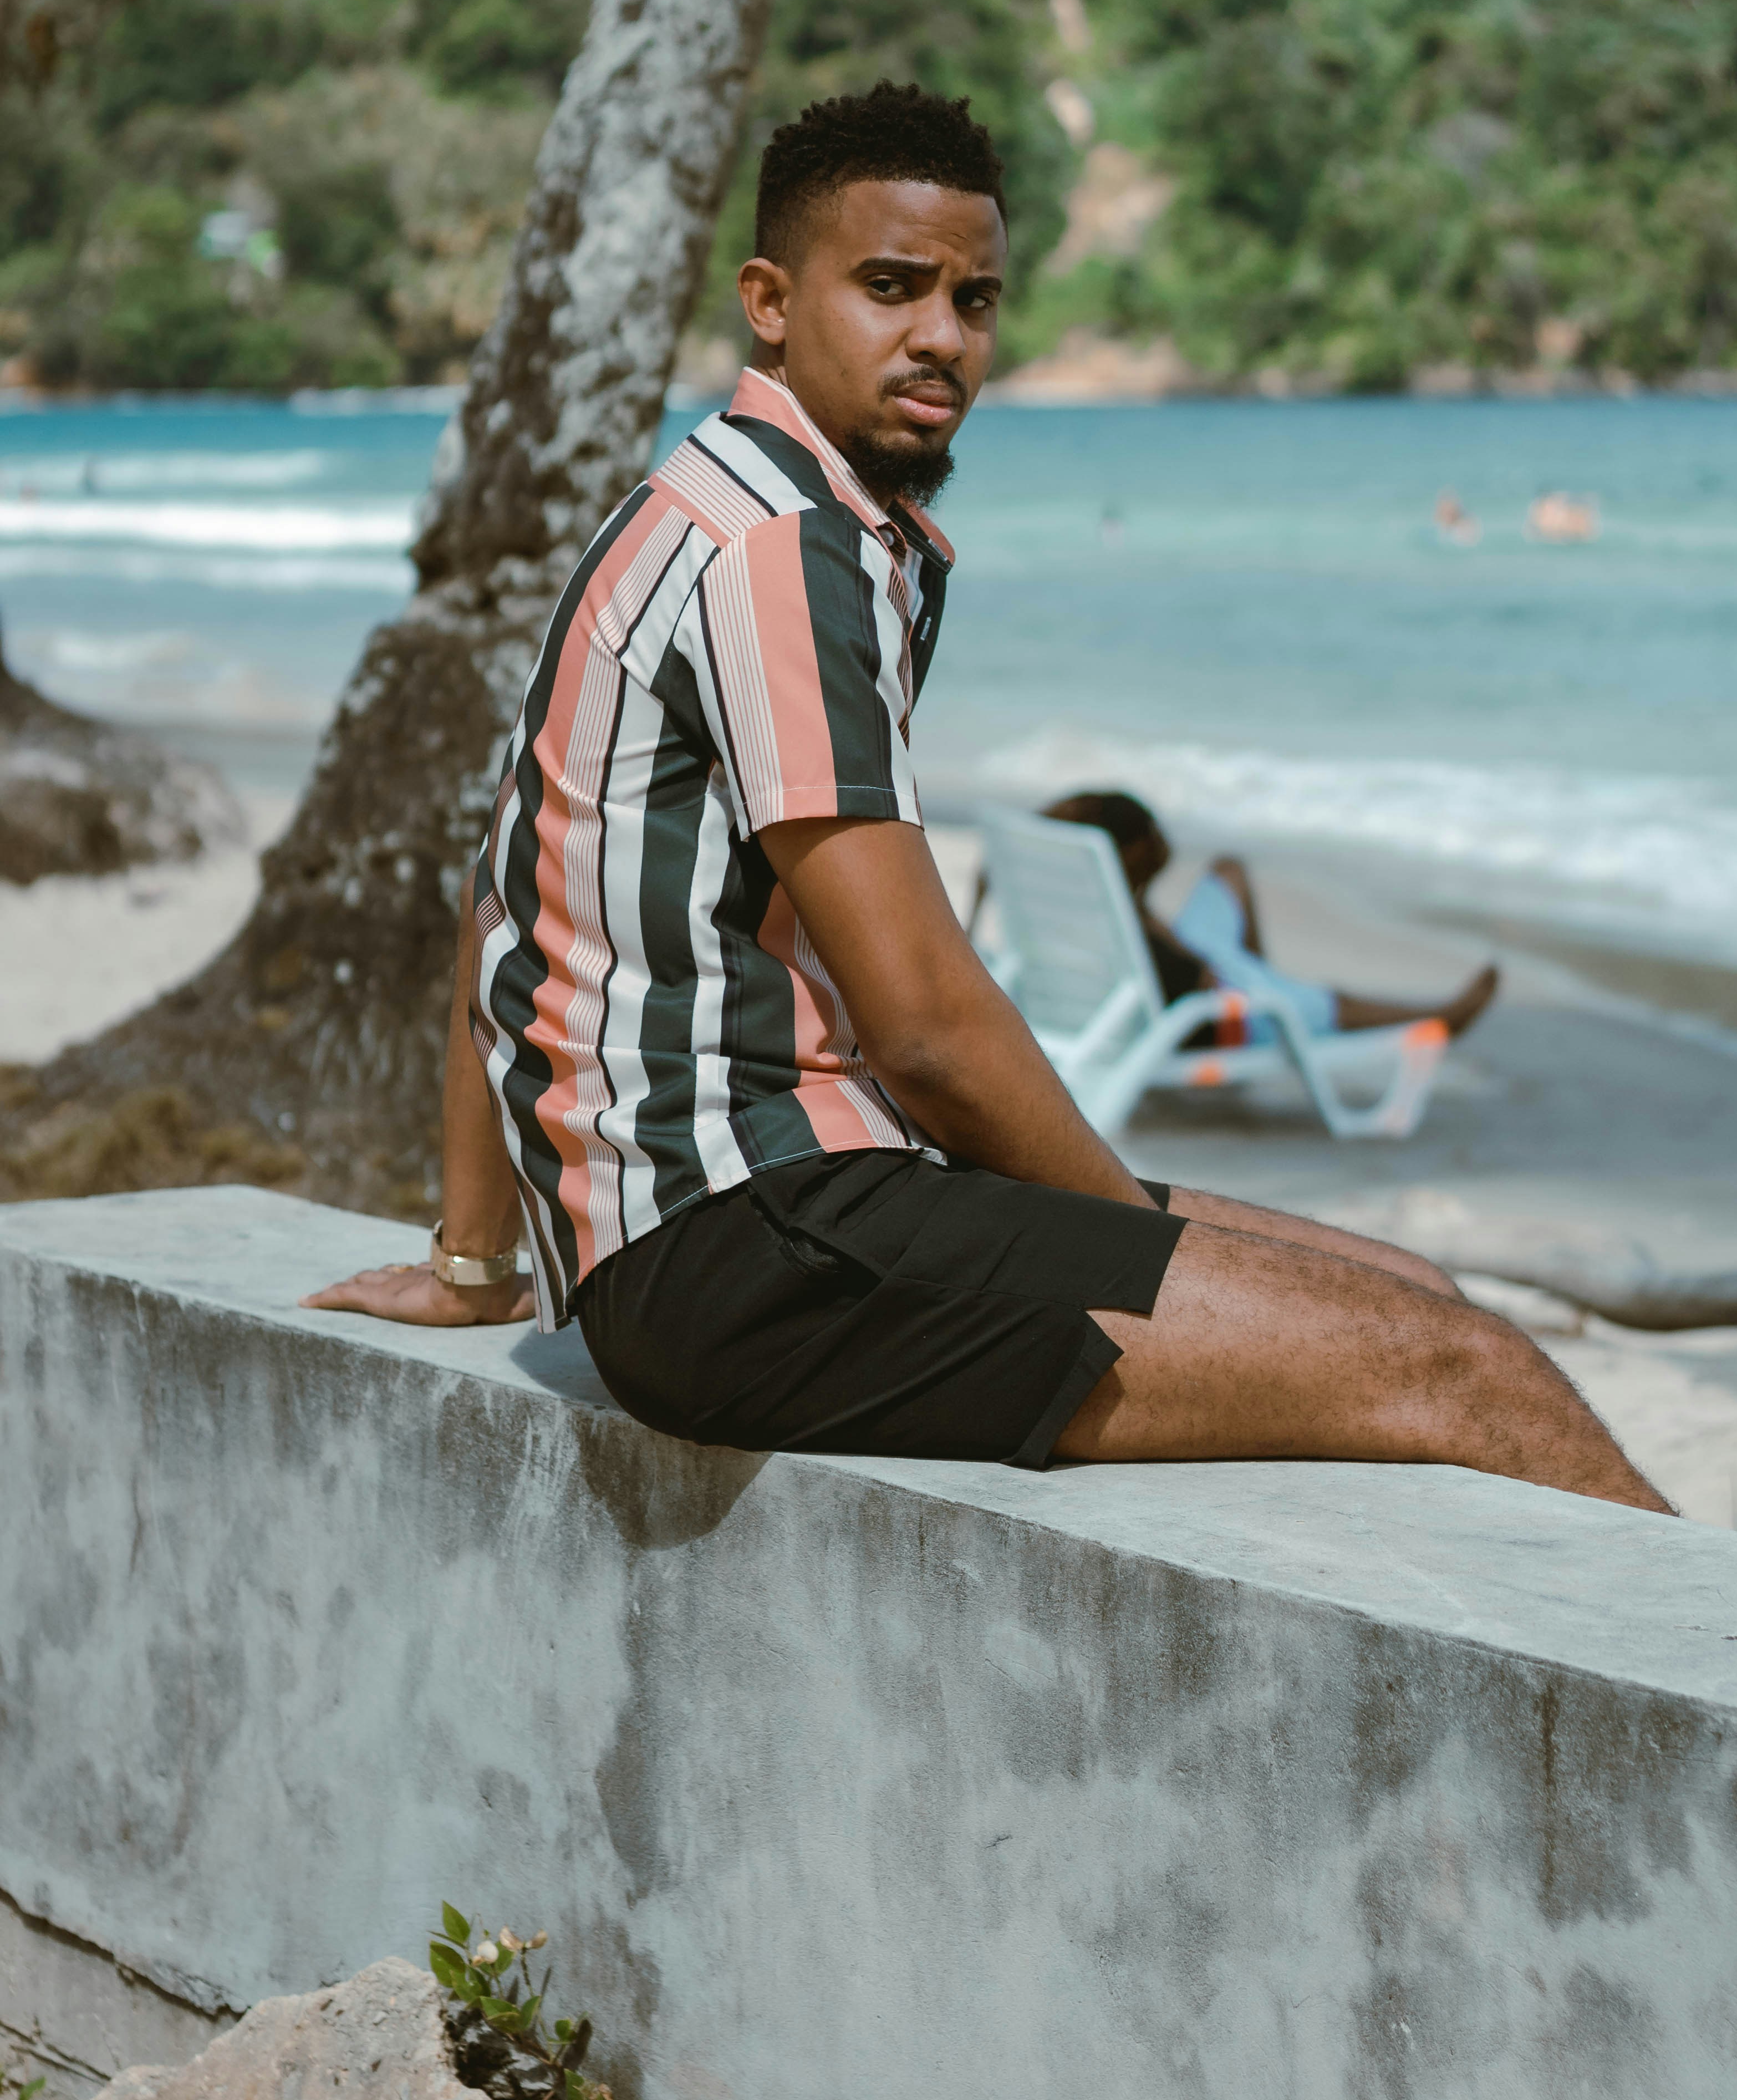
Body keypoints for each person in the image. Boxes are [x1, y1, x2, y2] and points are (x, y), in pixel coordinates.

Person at [307, 80, 1668, 1515]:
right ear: (768, 299)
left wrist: (478, 1259)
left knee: (1408, 1291)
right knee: (1466, 1371)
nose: (940, 337)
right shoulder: (785, 548)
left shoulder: (695, 509)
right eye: (889, 288)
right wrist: (1123, 1243)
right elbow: (923, 1026)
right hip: (757, 1248)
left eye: (973, 299)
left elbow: (501, 895)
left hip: (735, 1234)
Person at [1041, 791, 1499, 1044]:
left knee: (1228, 870)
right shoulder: (1130, 925)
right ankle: (1440, 1021)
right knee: (1330, 1004)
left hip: (1181, 980)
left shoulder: (1075, 898)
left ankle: (1267, 980)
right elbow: (1193, 980)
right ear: (1133, 853)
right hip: (1219, 1015)